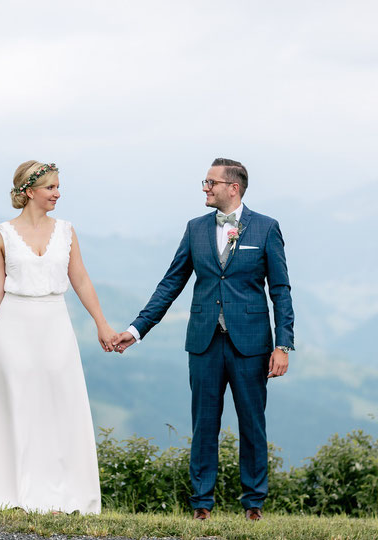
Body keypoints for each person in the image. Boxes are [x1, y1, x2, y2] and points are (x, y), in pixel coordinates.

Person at [112, 158, 294, 521]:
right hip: (204, 342)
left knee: (252, 425)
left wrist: (283, 344)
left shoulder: (266, 228)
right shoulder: (195, 229)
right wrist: (136, 330)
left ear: (233, 188)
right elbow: (171, 284)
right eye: (204, 182)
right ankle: (201, 504)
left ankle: (253, 503)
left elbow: (281, 290)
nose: (205, 188)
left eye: (211, 182)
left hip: (252, 344)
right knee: (204, 424)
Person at [0, 160, 115, 514]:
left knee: (61, 403)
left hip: (56, 323)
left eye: (58, 187)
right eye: (50, 187)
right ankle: (14, 492)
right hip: (14, 324)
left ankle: (64, 494)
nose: (57, 193)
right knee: (19, 404)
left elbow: (80, 280)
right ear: (29, 191)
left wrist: (101, 324)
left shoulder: (67, 231)